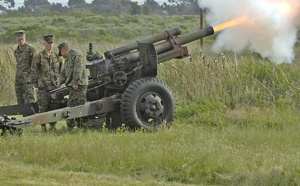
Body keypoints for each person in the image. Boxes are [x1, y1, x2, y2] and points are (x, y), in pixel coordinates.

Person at [31, 35, 63, 132]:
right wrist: (35, 85)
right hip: (43, 87)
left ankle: (52, 127)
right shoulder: (39, 57)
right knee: (43, 108)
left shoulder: (57, 57)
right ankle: (43, 128)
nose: (50, 45)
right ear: (44, 44)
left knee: (55, 107)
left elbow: (62, 72)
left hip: (55, 87)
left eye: (52, 43)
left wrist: (60, 82)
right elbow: (33, 71)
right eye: (48, 43)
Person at [56, 42, 88, 131]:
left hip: (79, 85)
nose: (61, 55)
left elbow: (78, 70)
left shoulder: (76, 55)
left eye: (61, 53)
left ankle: (81, 126)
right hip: (74, 86)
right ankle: (75, 126)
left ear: (63, 50)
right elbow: (63, 73)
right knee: (72, 105)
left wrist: (75, 83)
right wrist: (59, 82)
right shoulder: (67, 60)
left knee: (78, 105)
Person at [14, 30, 36, 105]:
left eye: (22, 39)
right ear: (16, 39)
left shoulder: (30, 49)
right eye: (19, 39)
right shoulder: (16, 51)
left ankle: (32, 116)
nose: (21, 41)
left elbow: (34, 66)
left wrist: (33, 80)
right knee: (20, 103)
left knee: (29, 102)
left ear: (25, 38)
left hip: (28, 80)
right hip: (19, 79)